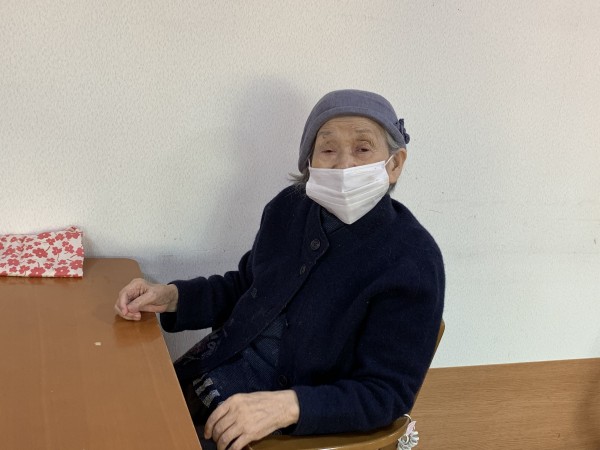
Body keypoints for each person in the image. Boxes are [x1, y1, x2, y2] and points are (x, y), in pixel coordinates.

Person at [115, 89, 445, 450]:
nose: (344, 165)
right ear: (309, 161)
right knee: (112, 409)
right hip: (211, 377)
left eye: (363, 148)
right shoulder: (288, 209)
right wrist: (173, 296)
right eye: (328, 149)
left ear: (395, 164)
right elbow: (247, 287)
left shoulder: (413, 259)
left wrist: (287, 407)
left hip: (281, 432)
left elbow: (385, 394)